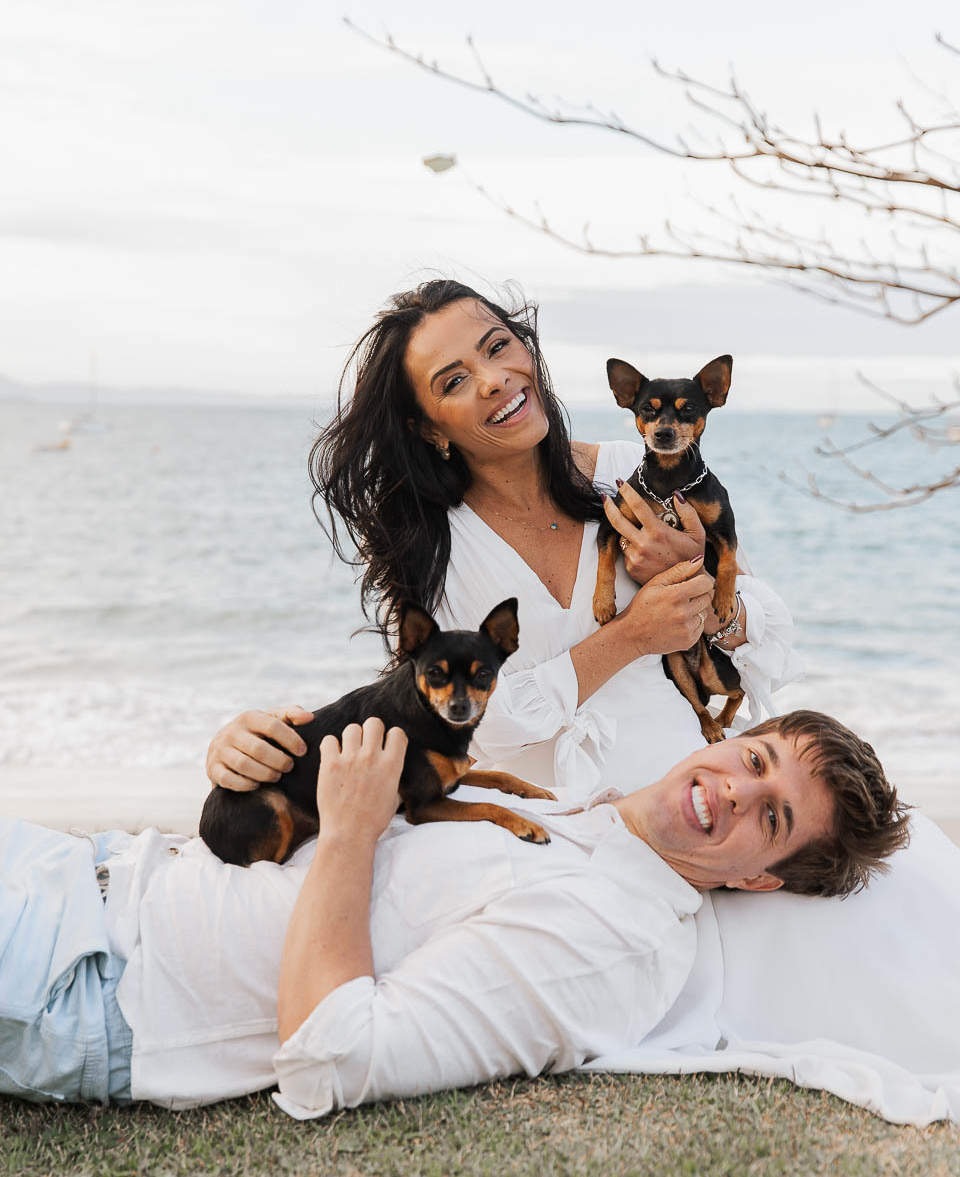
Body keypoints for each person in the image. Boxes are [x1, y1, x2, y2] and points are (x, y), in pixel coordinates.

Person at [0, 710, 909, 1117]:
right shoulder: (566, 806)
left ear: (761, 880)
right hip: (93, 869)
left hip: (94, 981)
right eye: (756, 759)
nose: (736, 791)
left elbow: (335, 1059)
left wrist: (354, 830)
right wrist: (248, 752)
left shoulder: (614, 940)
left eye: (775, 817)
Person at [206, 281, 800, 799]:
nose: (494, 380)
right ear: (426, 425)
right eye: (456, 380)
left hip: (690, 802)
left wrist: (699, 581)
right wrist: (255, 743)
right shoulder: (434, 544)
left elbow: (771, 645)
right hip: (529, 830)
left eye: (498, 347)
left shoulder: (636, 472)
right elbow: (468, 717)